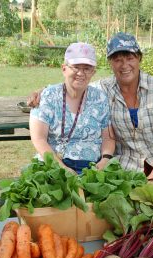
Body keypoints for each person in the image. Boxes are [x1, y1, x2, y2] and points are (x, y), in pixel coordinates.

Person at [28, 33, 153, 190]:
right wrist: (43, 91)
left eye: (130, 58)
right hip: (127, 163)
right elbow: (76, 85)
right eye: (118, 60)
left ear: (139, 59)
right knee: (123, 206)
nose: (124, 65)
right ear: (111, 63)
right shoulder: (104, 89)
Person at [29, 42, 115, 174]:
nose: (81, 73)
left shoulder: (100, 98)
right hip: (53, 165)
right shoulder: (48, 96)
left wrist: (104, 160)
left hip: (91, 167)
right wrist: (62, 168)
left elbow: (108, 138)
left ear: (93, 72)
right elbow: (39, 138)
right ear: (64, 69)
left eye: (87, 68)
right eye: (75, 67)